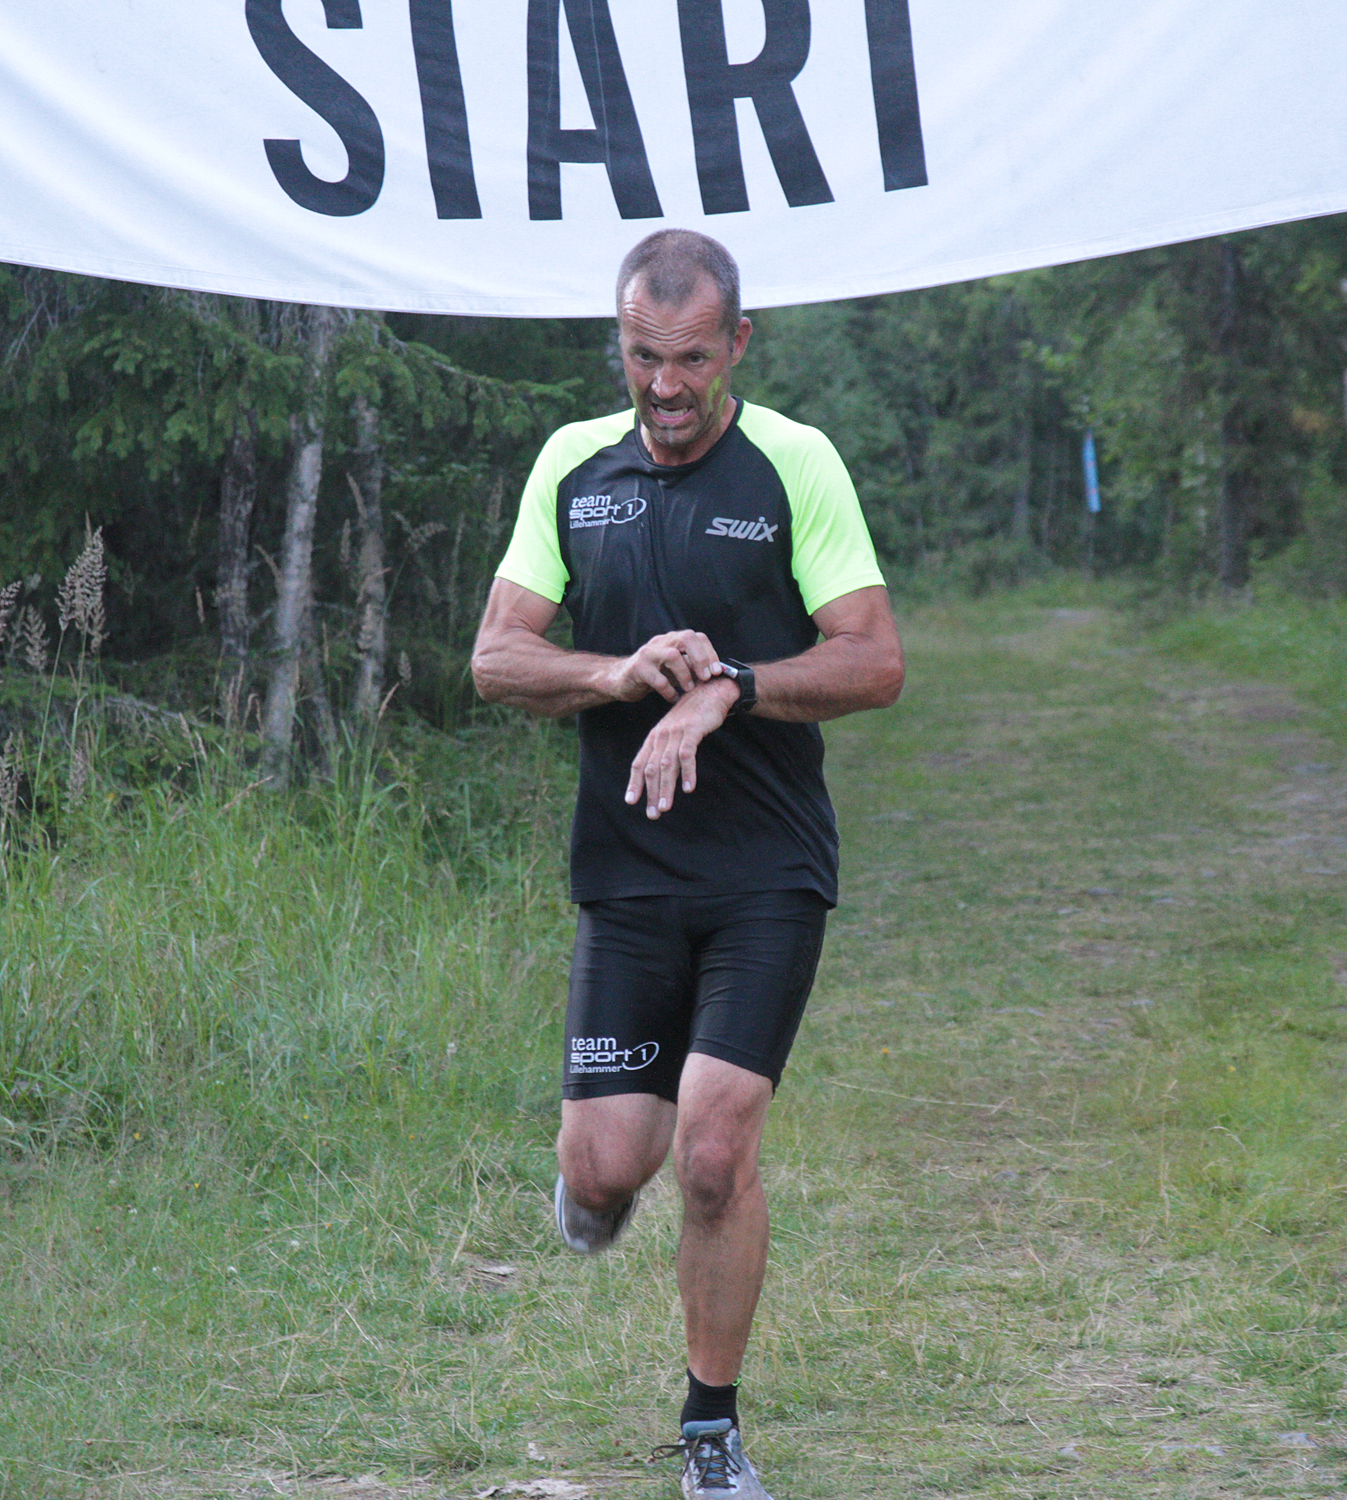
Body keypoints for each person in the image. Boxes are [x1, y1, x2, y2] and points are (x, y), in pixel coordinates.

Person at [470, 228, 903, 1500]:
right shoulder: (573, 464)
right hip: (627, 875)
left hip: (767, 871)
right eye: (641, 357)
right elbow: (496, 658)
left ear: (739, 346)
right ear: (618, 343)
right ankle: (593, 1185)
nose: (664, 387)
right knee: (609, 1166)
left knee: (714, 1154)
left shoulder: (794, 463)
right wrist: (614, 673)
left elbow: (873, 659)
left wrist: (732, 688)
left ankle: (710, 1432)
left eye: (692, 360)